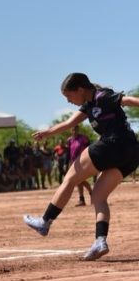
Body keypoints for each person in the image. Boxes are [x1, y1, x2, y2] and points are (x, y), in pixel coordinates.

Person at [24, 73, 139, 260]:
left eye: (69, 96)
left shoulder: (102, 96)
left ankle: (44, 222)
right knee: (98, 196)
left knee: (69, 179)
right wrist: (47, 132)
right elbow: (69, 123)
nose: (69, 101)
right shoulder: (88, 105)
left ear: (80, 90)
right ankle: (100, 241)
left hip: (114, 143)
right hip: (132, 154)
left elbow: (128, 100)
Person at [67, 125, 93, 206]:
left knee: (80, 180)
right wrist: (67, 163)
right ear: (71, 130)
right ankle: (83, 199)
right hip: (73, 163)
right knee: (78, 181)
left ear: (78, 130)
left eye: (76, 129)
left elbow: (90, 147)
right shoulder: (69, 140)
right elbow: (68, 153)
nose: (74, 131)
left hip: (83, 161)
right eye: (73, 129)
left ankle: (91, 195)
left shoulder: (83, 138)